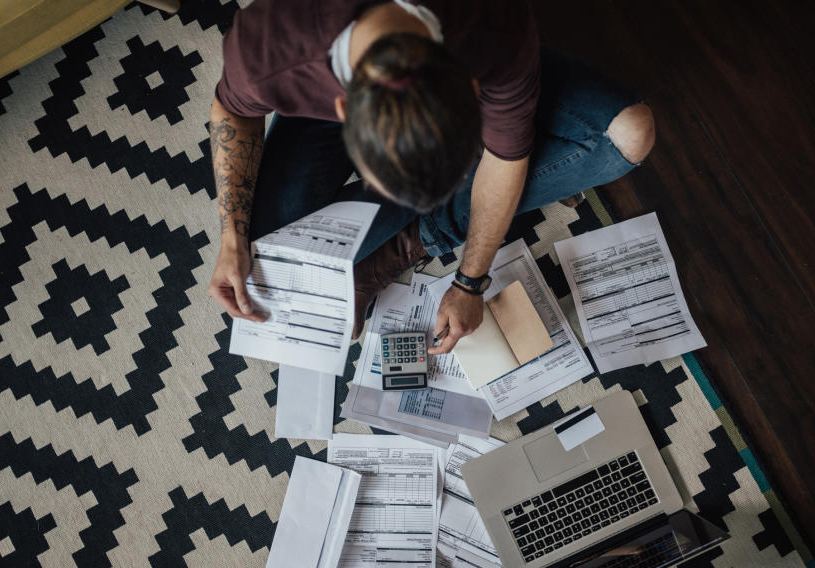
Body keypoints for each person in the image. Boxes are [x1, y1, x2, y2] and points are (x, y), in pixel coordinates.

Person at [206, 0, 654, 355]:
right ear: (343, 108)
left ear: (472, 90)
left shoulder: (493, 28)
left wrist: (470, 280)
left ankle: (414, 239)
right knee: (267, 259)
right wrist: (232, 237)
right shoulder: (270, 47)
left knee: (629, 136)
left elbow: (506, 158)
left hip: (485, 46)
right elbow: (231, 111)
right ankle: (416, 223)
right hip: (325, 68)